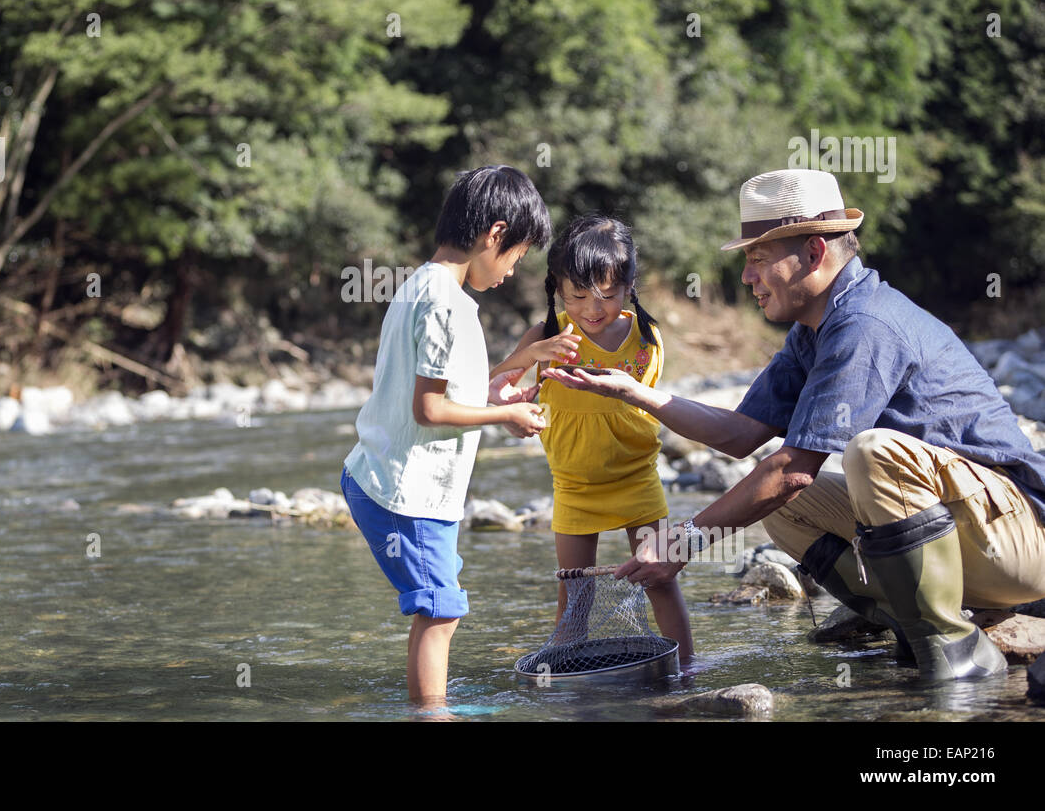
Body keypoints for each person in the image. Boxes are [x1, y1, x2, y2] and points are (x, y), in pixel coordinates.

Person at [543, 168, 1045, 680]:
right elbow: (741, 435)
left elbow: (795, 468)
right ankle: (908, 622)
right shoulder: (814, 328)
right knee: (782, 506)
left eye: (758, 260)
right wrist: (636, 393)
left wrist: (681, 541)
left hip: (1017, 541)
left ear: (813, 253)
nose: (746, 278)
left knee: (870, 455)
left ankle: (953, 649)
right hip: (971, 539)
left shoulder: (865, 324)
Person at [341, 164, 552, 708]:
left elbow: (448, 390)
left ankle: (429, 707)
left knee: (440, 604)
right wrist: (503, 418)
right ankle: (430, 715)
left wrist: (513, 372)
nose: (510, 272)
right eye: (516, 257)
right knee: (440, 610)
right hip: (405, 492)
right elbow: (431, 408)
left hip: (392, 477)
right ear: (495, 235)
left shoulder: (423, 287)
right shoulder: (445, 305)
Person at [492, 214, 693, 663]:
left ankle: (685, 670)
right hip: (573, 485)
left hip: (637, 479)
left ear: (629, 286)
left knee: (659, 579)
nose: (592, 308)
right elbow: (491, 389)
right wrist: (521, 378)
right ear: (558, 290)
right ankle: (569, 681)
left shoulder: (645, 338)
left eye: (607, 294)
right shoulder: (548, 334)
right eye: (578, 295)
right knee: (574, 594)